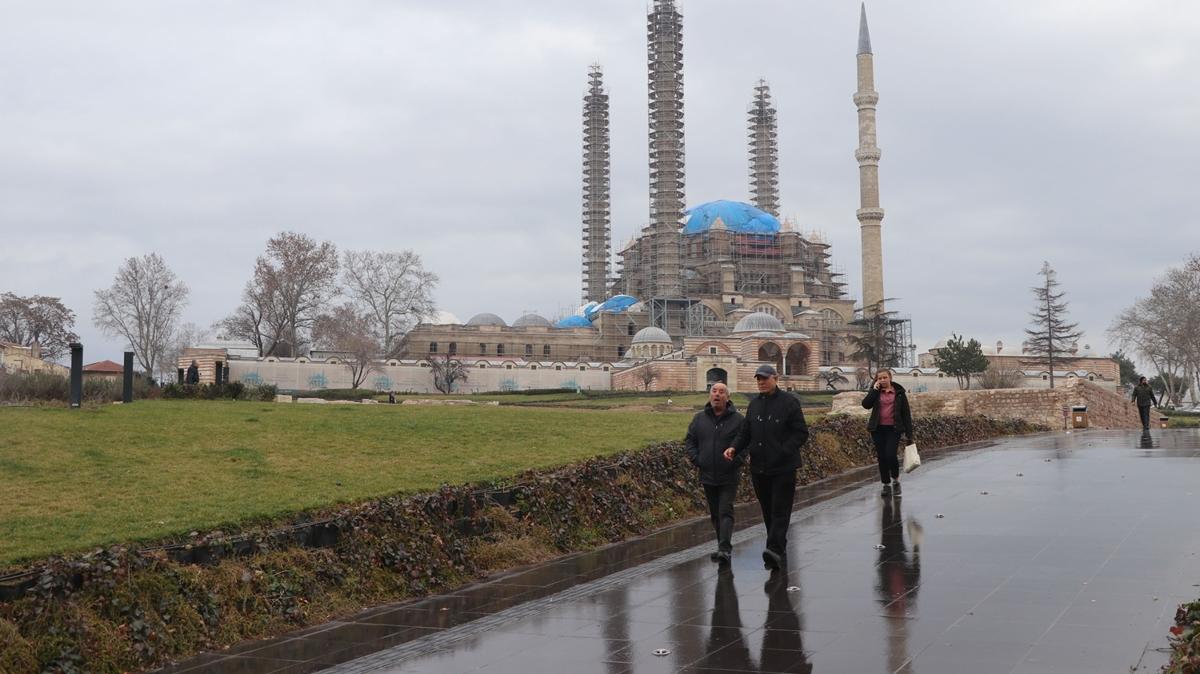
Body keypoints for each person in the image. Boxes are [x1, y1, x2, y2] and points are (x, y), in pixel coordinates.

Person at [723, 365, 809, 571]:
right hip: (759, 467)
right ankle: (777, 545)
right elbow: (745, 432)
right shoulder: (754, 405)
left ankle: (774, 548)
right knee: (767, 510)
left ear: (775, 378)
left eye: (764, 378)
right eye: (758, 379)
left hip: (783, 467)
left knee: (780, 509)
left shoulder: (790, 403)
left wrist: (783, 450)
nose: (760, 382)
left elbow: (801, 433)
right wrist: (734, 447)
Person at [685, 382, 744, 565]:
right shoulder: (699, 419)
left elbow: (746, 443)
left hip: (728, 474)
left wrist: (736, 459)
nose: (717, 395)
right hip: (708, 474)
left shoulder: (738, 420)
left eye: (721, 392)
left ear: (727, 397)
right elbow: (690, 441)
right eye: (714, 391)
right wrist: (698, 460)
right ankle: (722, 546)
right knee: (715, 513)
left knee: (725, 510)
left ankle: (725, 549)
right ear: (709, 395)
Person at [862, 368, 914, 498]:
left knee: (890, 455)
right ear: (876, 380)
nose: (882, 380)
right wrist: (874, 390)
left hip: (894, 429)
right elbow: (866, 405)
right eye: (879, 378)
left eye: (885, 377)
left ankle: (895, 480)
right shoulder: (875, 392)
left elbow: (906, 414)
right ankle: (886, 484)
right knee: (882, 457)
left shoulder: (899, 393)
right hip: (878, 429)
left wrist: (909, 434)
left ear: (890, 377)